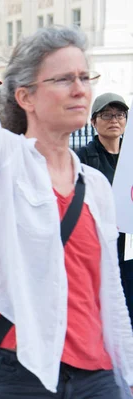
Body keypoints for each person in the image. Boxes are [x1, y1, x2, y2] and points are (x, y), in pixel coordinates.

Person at [0, 1, 133, 397]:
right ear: (25, 97)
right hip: (20, 369)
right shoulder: (0, 162)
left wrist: (125, 369)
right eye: (65, 79)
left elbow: (110, 292)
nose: (81, 89)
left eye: (85, 76)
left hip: (96, 374)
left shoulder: (96, 185)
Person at [77, 92, 133, 327]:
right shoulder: (82, 158)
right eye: (106, 115)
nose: (114, 120)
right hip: (100, 247)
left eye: (120, 114)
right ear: (93, 122)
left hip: (129, 245)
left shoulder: (130, 157)